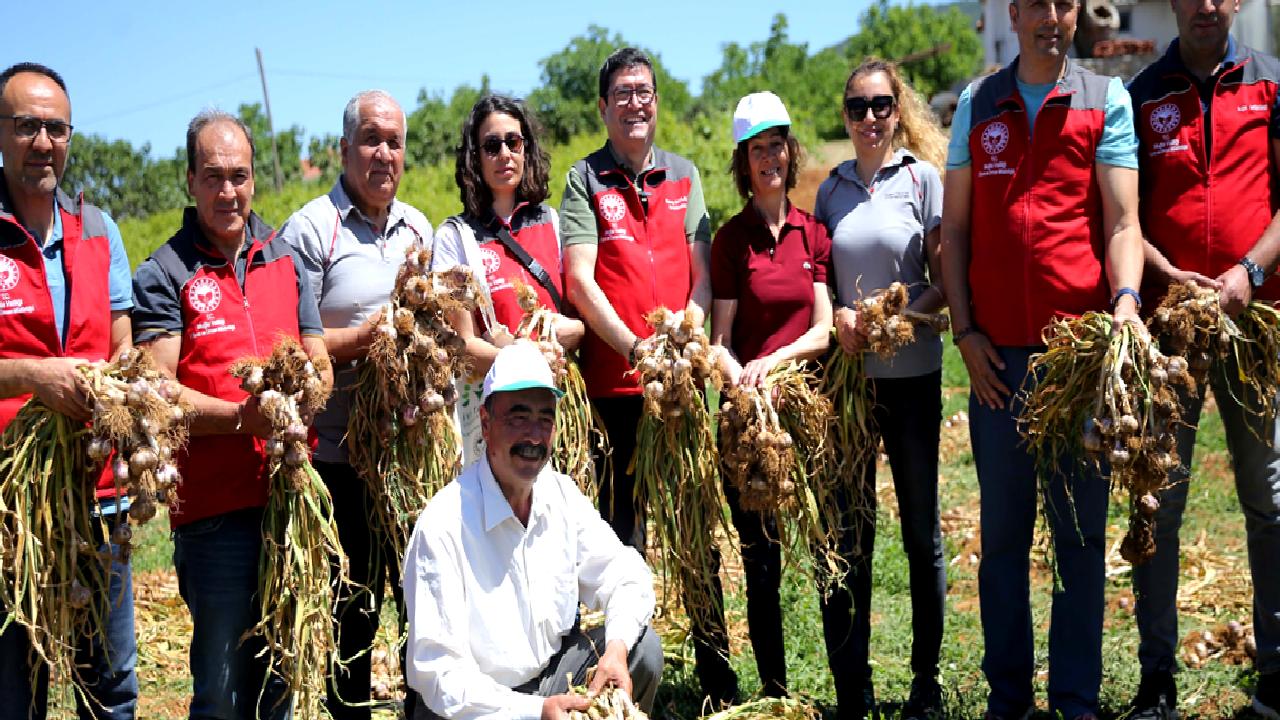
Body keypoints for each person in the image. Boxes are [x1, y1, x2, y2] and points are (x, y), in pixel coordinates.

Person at [938, 0, 1146, 714]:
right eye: (1036, 4)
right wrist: (964, 333)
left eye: (1063, 2)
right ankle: (1008, 698)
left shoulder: (1104, 97)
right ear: (1015, 13)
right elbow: (956, 230)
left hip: (1077, 364)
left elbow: (1122, 220)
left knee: (1081, 538)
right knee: (1002, 542)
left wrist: (1124, 300)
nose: (1050, 16)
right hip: (997, 365)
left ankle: (1076, 698)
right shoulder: (978, 103)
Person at [132, 109, 330, 720]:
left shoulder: (285, 256)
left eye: (239, 176)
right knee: (221, 689)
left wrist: (311, 391)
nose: (229, 191)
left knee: (285, 681)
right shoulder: (163, 273)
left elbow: (317, 355)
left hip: (289, 500)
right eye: (214, 176)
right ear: (189, 179)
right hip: (215, 516)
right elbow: (159, 393)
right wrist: (246, 419)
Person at [560, 48, 731, 705]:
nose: (635, 103)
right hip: (615, 393)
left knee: (694, 532)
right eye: (622, 93)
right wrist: (636, 348)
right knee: (622, 543)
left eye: (645, 91)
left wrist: (681, 343)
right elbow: (580, 277)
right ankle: (626, 674)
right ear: (603, 107)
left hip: (679, 392)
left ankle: (716, 671)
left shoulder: (684, 176)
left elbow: (703, 276)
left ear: (657, 103)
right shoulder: (585, 181)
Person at [1125, 1, 1280, 716]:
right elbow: (1123, 217)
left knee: (1271, 500)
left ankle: (1277, 669)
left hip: (1257, 326)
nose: (1208, 6)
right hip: (1170, 335)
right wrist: (1162, 271)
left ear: (1237, 3)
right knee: (1157, 502)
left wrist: (1249, 270)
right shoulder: (1144, 93)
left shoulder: (1272, 83)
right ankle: (1158, 677)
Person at [403, 341, 662, 720]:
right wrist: (535, 711)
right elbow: (439, 673)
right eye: (518, 418)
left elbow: (625, 572)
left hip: (549, 680)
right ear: (486, 425)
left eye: (545, 419)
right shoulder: (443, 524)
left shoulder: (559, 494)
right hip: (471, 708)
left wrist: (616, 651)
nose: (534, 436)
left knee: (642, 648)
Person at [276, 89, 430, 719]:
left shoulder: (419, 227)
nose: (383, 153)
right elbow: (289, 339)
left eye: (393, 141)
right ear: (344, 149)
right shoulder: (311, 229)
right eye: (370, 139)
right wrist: (374, 336)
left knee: (425, 609)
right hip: (339, 458)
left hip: (411, 456)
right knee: (353, 617)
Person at [0, 61, 138, 720]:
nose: (43, 142)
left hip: (99, 497)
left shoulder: (99, 230)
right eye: (26, 126)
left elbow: (123, 342)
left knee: (111, 689)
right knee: (13, 691)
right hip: (10, 508)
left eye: (56, 128)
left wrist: (120, 381)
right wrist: (34, 376)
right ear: (2, 134)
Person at [813, 58, 948, 720]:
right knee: (849, 535)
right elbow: (822, 285)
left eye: (881, 105)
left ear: (898, 112)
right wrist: (840, 315)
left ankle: (927, 679)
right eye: (858, 106)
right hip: (850, 389)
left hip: (915, 379)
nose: (870, 118)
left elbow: (946, 283)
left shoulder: (924, 181)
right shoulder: (831, 189)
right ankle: (854, 686)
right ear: (845, 114)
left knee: (921, 535)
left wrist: (902, 317)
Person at [707, 90, 835, 707]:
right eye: (757, 149)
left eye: (777, 144)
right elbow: (721, 340)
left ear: (791, 150)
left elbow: (824, 327)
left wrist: (773, 364)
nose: (769, 158)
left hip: (808, 413)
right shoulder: (732, 241)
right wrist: (742, 381)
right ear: (743, 160)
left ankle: (847, 688)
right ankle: (776, 691)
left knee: (828, 548)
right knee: (761, 562)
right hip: (751, 422)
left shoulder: (814, 233)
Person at [430, 94, 583, 464]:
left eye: (513, 142)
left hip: (562, 410)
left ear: (526, 148)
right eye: (491, 145)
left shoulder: (554, 223)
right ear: (475, 157)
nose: (504, 153)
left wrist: (556, 338)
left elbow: (580, 325)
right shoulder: (455, 237)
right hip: (499, 418)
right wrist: (527, 359)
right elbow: (462, 348)